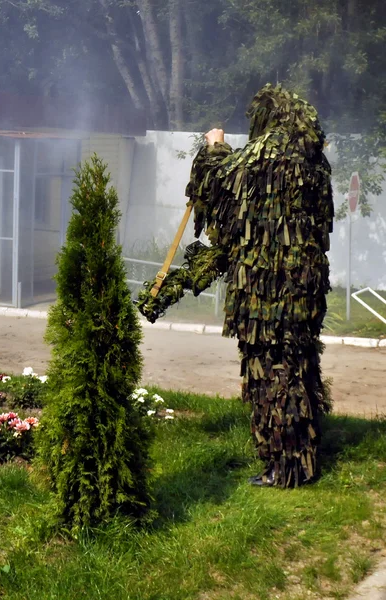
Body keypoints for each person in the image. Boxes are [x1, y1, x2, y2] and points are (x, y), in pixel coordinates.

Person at [138, 84, 334, 487]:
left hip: (263, 298)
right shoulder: (315, 165)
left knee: (270, 377)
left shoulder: (255, 160)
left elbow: (219, 189)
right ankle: (305, 454)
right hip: (306, 290)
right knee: (300, 367)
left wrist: (214, 147)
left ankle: (284, 470)